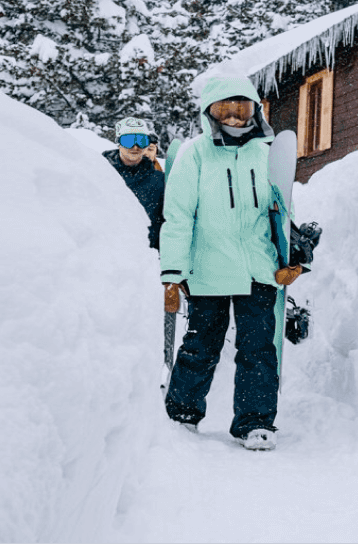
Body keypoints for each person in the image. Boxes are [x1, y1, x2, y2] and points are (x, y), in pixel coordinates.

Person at [160, 75, 291, 451]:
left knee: (258, 348)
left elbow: (283, 214)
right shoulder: (195, 154)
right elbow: (178, 217)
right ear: (209, 113)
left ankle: (255, 422)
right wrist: (173, 274)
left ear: (255, 112)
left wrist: (292, 259)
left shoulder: (266, 154)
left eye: (241, 109)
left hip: (257, 269)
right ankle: (182, 413)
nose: (234, 118)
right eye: (224, 110)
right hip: (209, 269)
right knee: (201, 344)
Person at [105, 117, 164, 250]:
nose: (135, 147)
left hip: (147, 255)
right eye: (128, 140)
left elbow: (167, 223)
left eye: (141, 141)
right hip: (108, 253)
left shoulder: (160, 181)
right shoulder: (100, 173)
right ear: (118, 142)